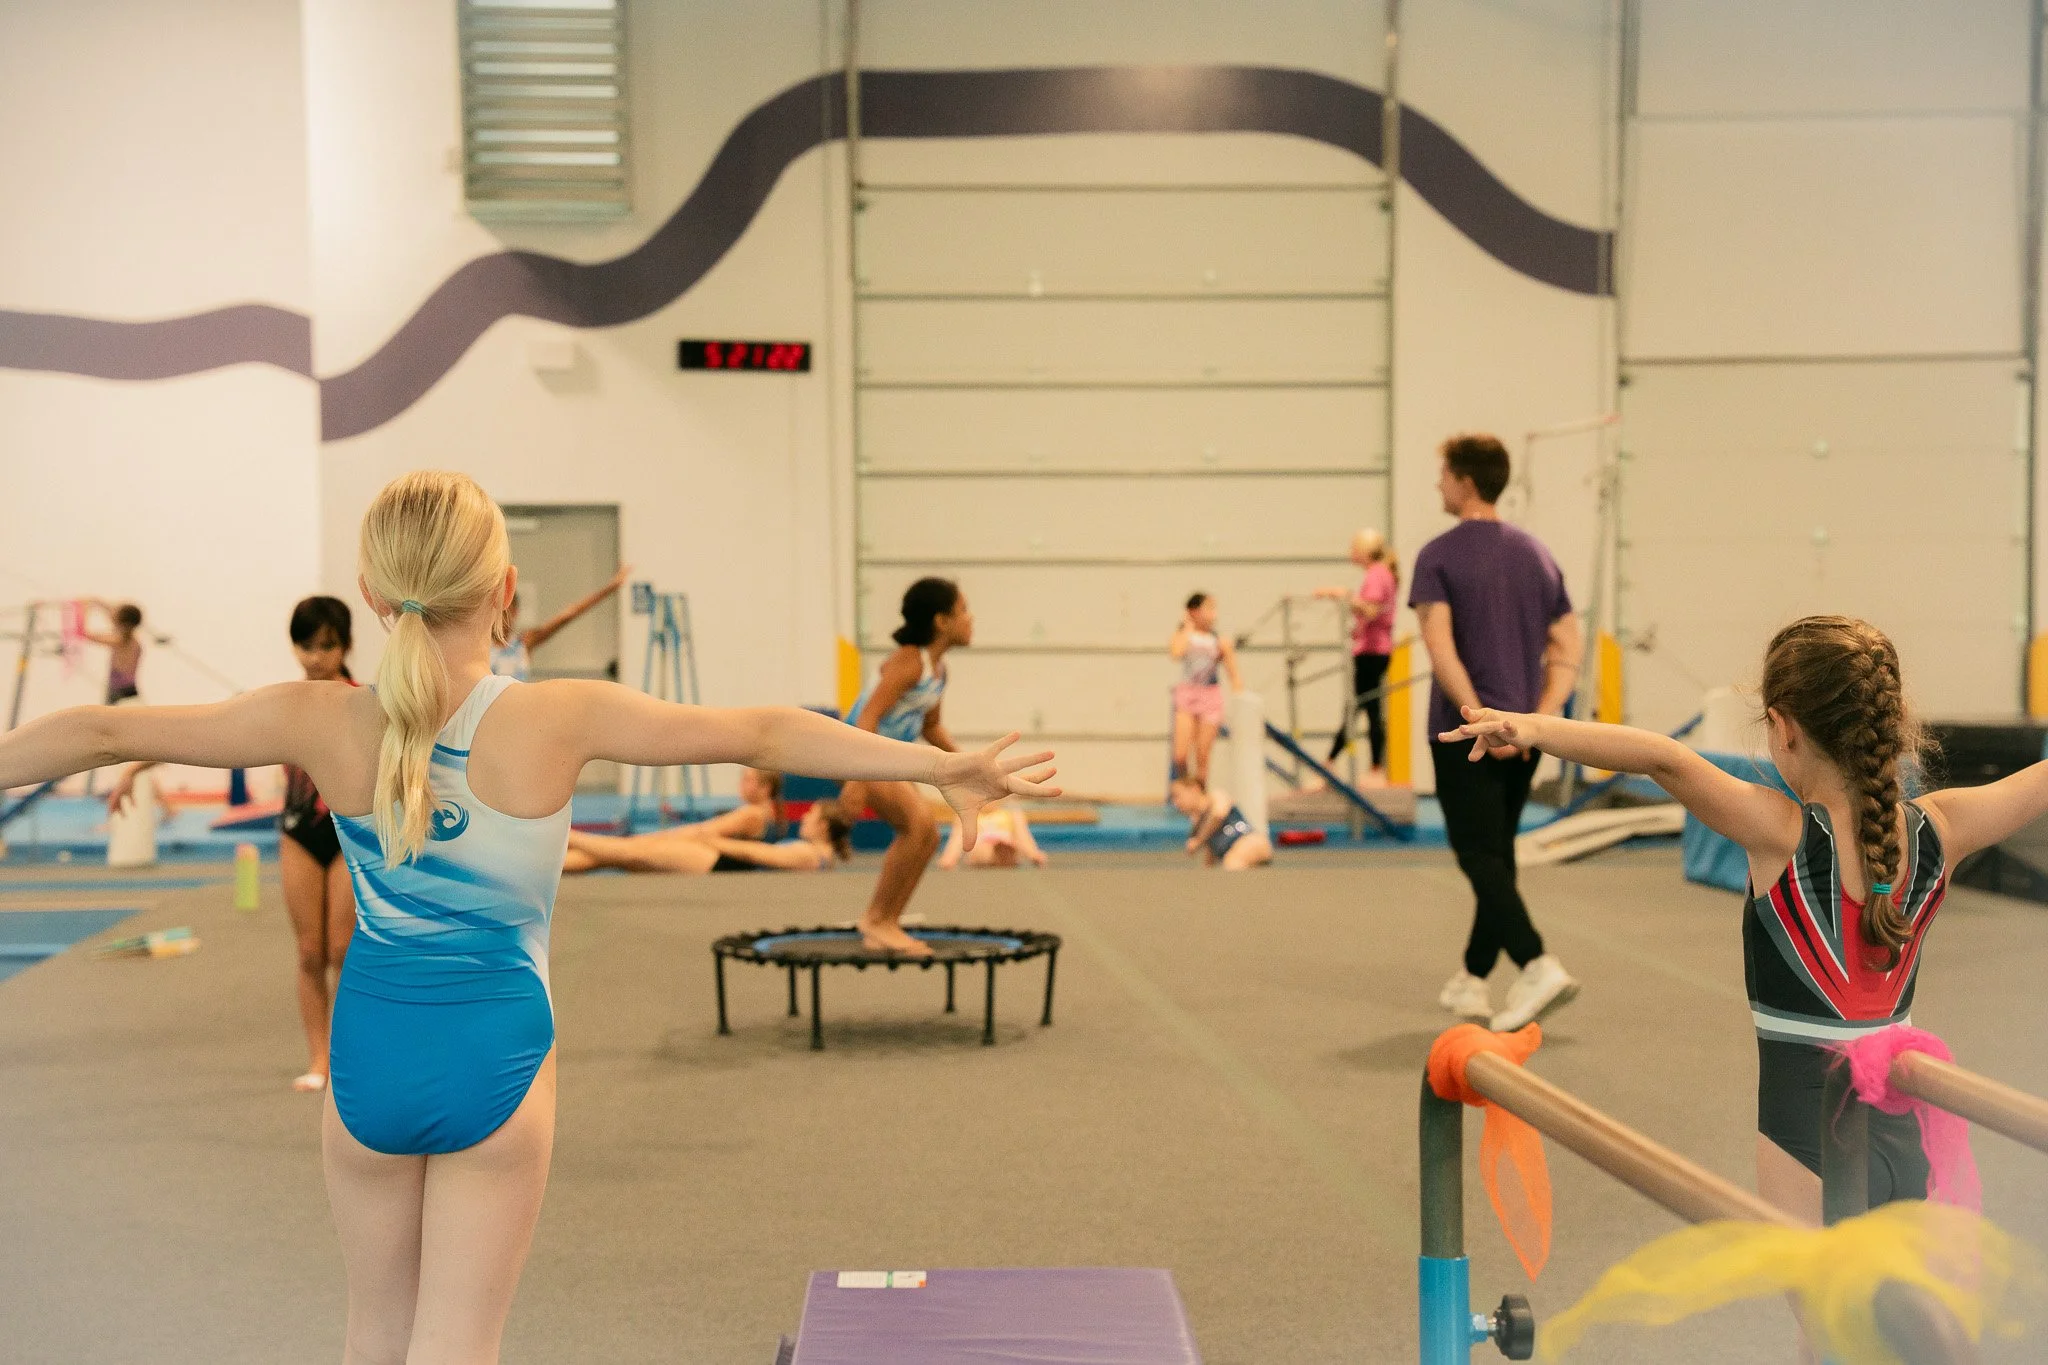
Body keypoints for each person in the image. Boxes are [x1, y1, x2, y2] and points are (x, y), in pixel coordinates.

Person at [0, 470, 1056, 1364]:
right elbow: (769, 733)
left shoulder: (314, 718)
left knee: (373, 1335)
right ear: (504, 593)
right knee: (457, 1347)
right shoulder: (557, 716)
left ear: (370, 593)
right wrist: (941, 765)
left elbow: (95, 728)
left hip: (369, 1052)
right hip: (496, 1052)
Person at [1438, 614, 2036, 1227]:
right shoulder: (1942, 828)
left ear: (1782, 728)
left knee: (1824, 1320)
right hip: (1909, 1126)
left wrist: (1530, 727)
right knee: (1900, 1316)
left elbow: (1661, 759)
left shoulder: (1780, 833)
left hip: (1806, 1131)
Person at [107, 595, 363, 1093]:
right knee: (310, 951)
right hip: (298, 833)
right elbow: (207, 732)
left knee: (342, 950)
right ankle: (318, 1060)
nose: (316, 658)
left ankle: (351, 1058)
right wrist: (136, 765)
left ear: (346, 645)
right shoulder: (282, 700)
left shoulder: (360, 701)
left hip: (347, 834)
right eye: (306, 646)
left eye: (327, 646)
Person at [1411, 434, 1582, 1032]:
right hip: (1524, 732)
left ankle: (1535, 962)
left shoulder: (1437, 555)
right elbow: (1567, 645)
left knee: (1476, 853)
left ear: (1463, 480)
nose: (1437, 485)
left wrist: (1476, 716)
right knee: (1497, 854)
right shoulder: (1537, 554)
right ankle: (1473, 977)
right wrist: (1538, 723)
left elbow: (1440, 648)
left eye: (1441, 475)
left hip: (1467, 734)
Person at [840, 577, 973, 956]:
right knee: (917, 827)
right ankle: (877, 920)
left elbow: (931, 727)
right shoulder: (907, 663)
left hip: (886, 761)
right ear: (941, 621)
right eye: (963, 610)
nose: (971, 618)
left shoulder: (938, 670)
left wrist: (970, 765)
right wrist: (856, 781)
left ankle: (886, 920)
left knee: (928, 836)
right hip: (857, 755)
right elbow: (867, 718)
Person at [562, 798, 851, 874]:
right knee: (614, 857)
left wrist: (708, 840)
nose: (804, 816)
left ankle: (563, 834)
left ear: (824, 826)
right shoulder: (821, 857)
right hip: (721, 860)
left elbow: (756, 854)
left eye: (811, 814)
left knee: (625, 851)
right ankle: (550, 862)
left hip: (719, 862)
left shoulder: (811, 855)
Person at [1316, 529, 1399, 781]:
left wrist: (1342, 595)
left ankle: (1347, 764)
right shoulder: (1381, 573)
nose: (1350, 553)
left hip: (1372, 651)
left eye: (1353, 548)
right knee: (1363, 707)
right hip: (1374, 649)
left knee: (1364, 708)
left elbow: (1371, 610)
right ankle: (1336, 762)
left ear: (1365, 551)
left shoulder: (1376, 574)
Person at [490, 563, 633, 680]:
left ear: (515, 612)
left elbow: (569, 614)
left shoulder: (524, 642)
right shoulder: (483, 645)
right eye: (499, 613)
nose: (502, 619)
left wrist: (610, 588)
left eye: (506, 612)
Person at [1169, 592, 1243, 788]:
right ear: (1194, 611)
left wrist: (1239, 698)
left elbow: (1233, 674)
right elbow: (1176, 652)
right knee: (1180, 754)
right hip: (1187, 694)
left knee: (1203, 754)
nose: (1213, 614)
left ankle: (1200, 793)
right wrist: (1187, 625)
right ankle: (1186, 790)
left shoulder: (1219, 641)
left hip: (1210, 696)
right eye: (1208, 608)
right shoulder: (1185, 635)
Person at [1170, 777, 1273, 870]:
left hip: (1249, 841)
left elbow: (1218, 815)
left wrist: (1198, 840)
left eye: (1178, 796)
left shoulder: (1216, 796)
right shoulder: (1197, 825)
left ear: (1194, 789)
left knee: (1232, 863)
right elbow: (1210, 856)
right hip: (1233, 854)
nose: (1176, 803)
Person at [937, 800, 1047, 869]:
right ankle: (995, 856)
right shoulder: (968, 816)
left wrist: (1033, 854)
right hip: (981, 844)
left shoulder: (1011, 813)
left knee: (1016, 845)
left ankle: (1003, 854)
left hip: (1005, 842)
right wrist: (950, 857)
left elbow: (1024, 836)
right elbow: (957, 839)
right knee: (979, 851)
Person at [81, 599, 145, 703]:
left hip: (120, 691)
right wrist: (94, 601)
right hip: (125, 689)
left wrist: (83, 610)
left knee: (107, 718)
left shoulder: (121, 640)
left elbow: (86, 635)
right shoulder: (132, 640)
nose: (111, 610)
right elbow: (113, 613)